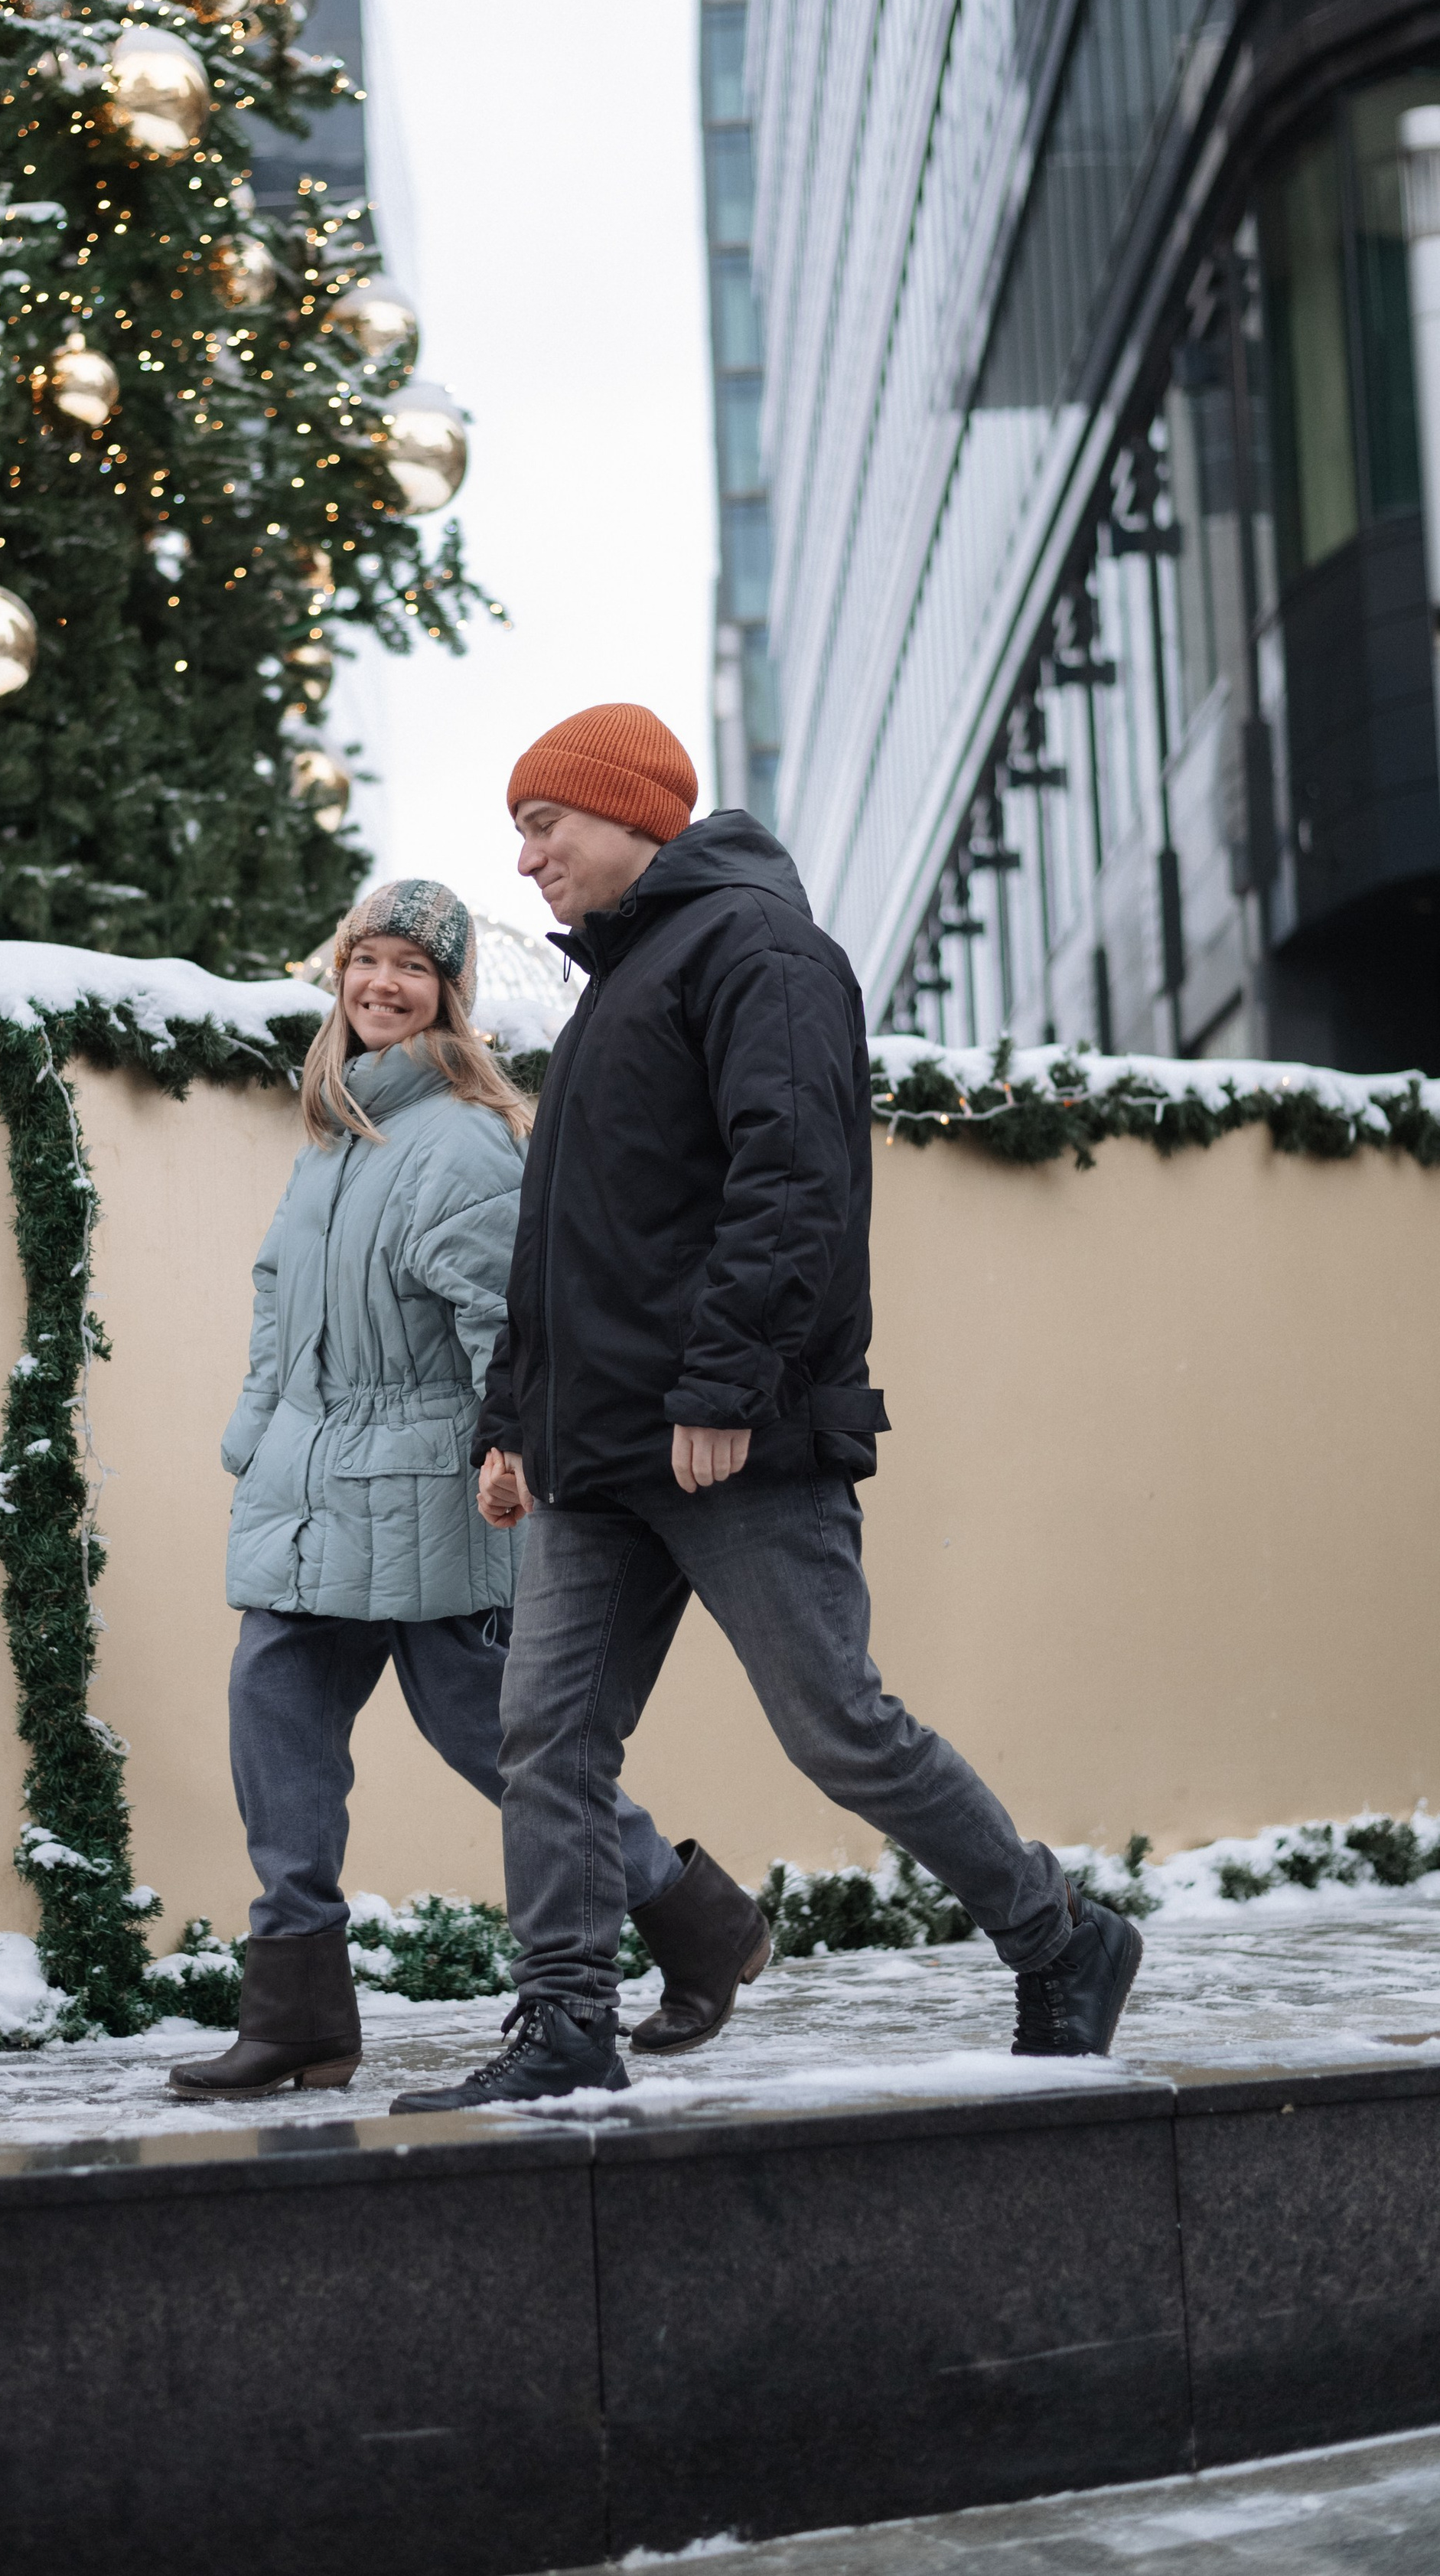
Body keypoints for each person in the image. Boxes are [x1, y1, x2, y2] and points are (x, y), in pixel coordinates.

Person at [393, 707, 1144, 2112]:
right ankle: (566, 2021)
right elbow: (564, 1242)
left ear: (632, 813)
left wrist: (729, 1381)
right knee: (544, 1738)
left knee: (837, 1726)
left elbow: (795, 1175)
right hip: (598, 1453)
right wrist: (511, 1423)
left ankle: (1060, 1934)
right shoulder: (617, 985)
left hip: (727, 1437)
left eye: (546, 820)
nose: (527, 852)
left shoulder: (761, 950)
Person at [170, 877, 735, 2102]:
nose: (384, 984)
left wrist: (513, 1461)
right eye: (366, 960)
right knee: (276, 1728)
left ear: (449, 996)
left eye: (411, 969)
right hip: (313, 1493)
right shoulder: (338, 1133)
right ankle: (301, 2015)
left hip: (437, 1490)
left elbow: (509, 1327)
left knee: (501, 1745)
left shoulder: (463, 1138)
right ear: (340, 975)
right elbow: (282, 1315)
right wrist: (256, 1439)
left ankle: (699, 1923)